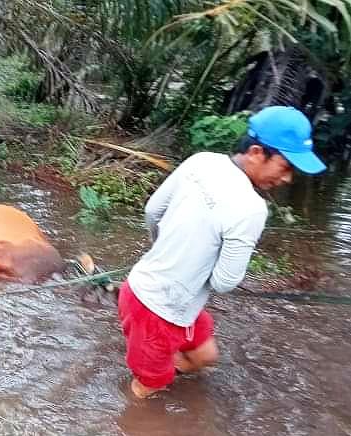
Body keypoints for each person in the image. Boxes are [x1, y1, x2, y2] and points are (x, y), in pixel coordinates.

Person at [118, 106, 326, 398]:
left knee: (205, 356)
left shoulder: (201, 162)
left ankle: (155, 361)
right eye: (286, 166)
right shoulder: (252, 208)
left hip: (144, 290)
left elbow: (153, 211)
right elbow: (224, 282)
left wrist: (167, 249)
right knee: (150, 387)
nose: (288, 179)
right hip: (155, 310)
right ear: (256, 152)